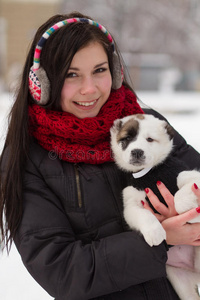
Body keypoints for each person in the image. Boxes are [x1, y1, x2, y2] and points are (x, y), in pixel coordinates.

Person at [0, 11, 200, 300]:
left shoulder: (147, 125)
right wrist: (163, 239)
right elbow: (62, 271)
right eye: (71, 74)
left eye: (99, 70)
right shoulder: (29, 159)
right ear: (41, 83)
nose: (89, 88)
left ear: (116, 71)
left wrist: (190, 216)